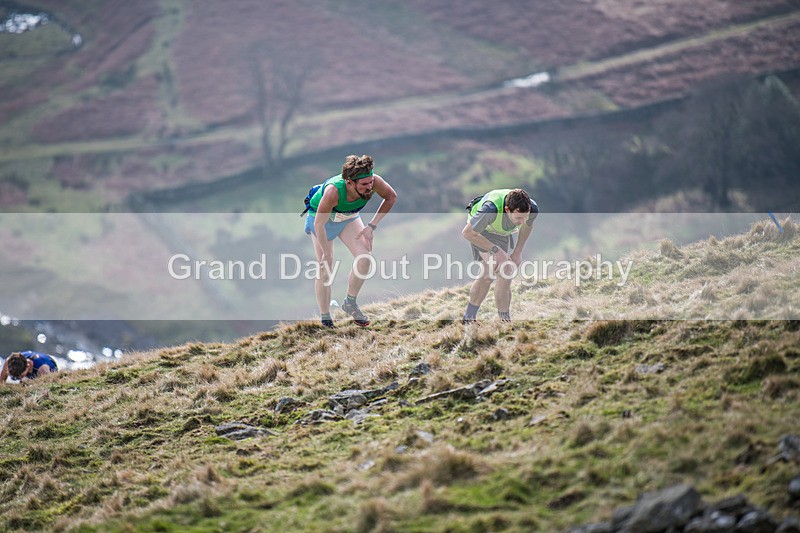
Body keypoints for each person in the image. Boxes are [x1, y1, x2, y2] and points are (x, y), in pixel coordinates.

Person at [304, 154, 397, 327]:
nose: (370, 187)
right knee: (325, 267)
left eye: (370, 182)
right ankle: (326, 318)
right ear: (350, 182)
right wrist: (327, 252)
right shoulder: (333, 192)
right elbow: (319, 224)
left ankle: (350, 303)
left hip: (348, 218)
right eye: (364, 184)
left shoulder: (374, 181)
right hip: (324, 222)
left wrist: (371, 226)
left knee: (365, 258)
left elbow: (391, 197)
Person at [461, 188, 538, 323]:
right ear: (507, 210)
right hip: (479, 232)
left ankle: (468, 318)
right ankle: (505, 322)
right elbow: (467, 233)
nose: (522, 221)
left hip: (500, 233)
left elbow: (527, 226)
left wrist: (518, 252)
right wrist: (496, 251)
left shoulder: (531, 209)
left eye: (525, 217)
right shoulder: (490, 210)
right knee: (506, 269)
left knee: (487, 276)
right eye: (519, 218)